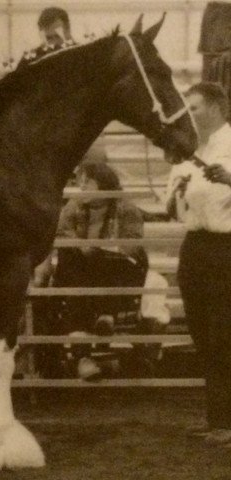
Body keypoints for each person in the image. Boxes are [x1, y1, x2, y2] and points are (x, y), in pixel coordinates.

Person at [165, 82, 231, 445]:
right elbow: (173, 206)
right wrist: (174, 194)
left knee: (224, 335)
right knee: (203, 335)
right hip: (196, 246)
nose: (191, 115)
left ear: (219, 107)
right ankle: (217, 419)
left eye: (196, 108)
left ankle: (226, 422)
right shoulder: (191, 150)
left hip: (227, 247)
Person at [51, 161, 151, 379]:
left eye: (88, 183)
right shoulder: (74, 206)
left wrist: (104, 247)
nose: (83, 187)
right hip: (83, 276)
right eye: (81, 182)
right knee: (72, 263)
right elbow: (60, 233)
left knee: (102, 266)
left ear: (105, 185)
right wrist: (81, 245)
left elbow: (133, 245)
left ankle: (84, 354)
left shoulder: (126, 208)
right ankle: (94, 337)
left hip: (116, 272)